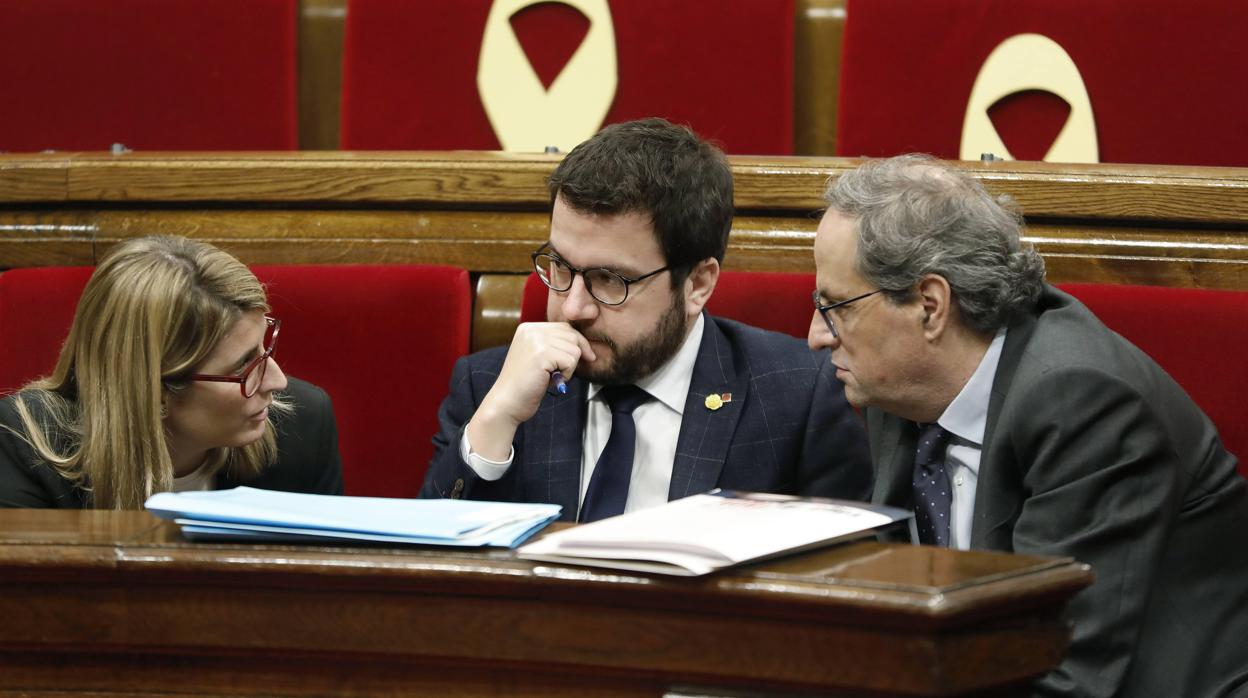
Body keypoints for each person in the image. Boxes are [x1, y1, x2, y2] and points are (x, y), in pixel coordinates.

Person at [808, 154, 1248, 698]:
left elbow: (1062, 667)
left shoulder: (1082, 401)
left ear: (929, 305)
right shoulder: (895, 386)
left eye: (837, 308)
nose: (818, 336)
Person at [421, 118, 871, 521]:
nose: (573, 307)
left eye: (610, 279)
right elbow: (421, 579)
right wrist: (495, 422)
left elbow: (840, 587)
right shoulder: (490, 386)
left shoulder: (797, 397)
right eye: (560, 267)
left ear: (697, 283)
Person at [0, 236, 343, 509]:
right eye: (243, 366)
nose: (277, 381)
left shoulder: (304, 428)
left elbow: (326, 591)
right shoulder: (25, 448)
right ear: (154, 389)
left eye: (264, 349)